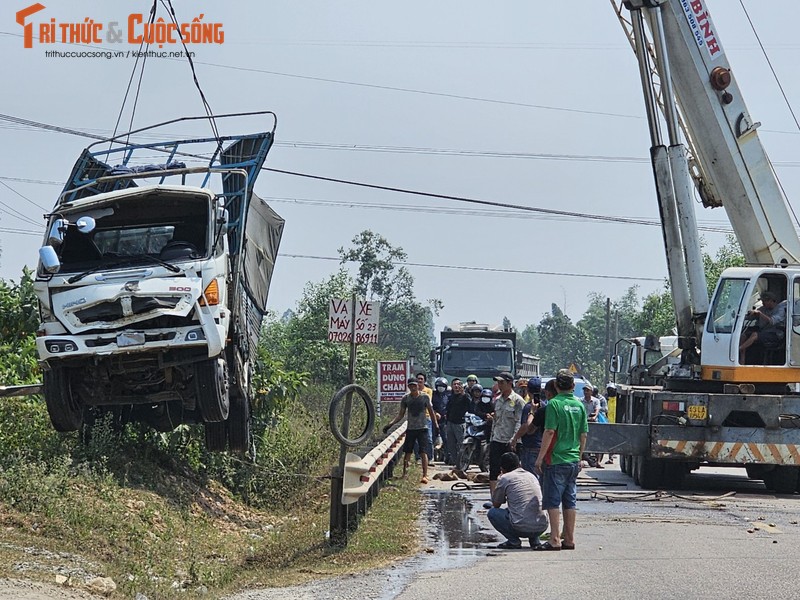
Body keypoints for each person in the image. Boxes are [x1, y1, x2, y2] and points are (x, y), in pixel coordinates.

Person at [535, 369, 587, 551]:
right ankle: (569, 539)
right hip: (573, 460)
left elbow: (549, 432)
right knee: (570, 501)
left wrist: (540, 458)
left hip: (556, 459)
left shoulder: (554, 405)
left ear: (556, 386)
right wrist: (580, 457)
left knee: (552, 500)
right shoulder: (579, 405)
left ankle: (555, 539)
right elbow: (583, 434)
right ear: (573, 386)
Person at [487, 452, 549, 549]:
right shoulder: (531, 475)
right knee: (528, 507)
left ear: (502, 468)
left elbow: (496, 504)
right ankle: (535, 540)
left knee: (493, 513)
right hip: (541, 526)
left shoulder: (505, 478)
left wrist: (499, 482)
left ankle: (513, 541)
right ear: (519, 464)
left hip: (521, 527)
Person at [383, 377, 439, 484]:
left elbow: (431, 412)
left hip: (423, 428)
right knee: (408, 452)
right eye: (410, 386)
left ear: (418, 385)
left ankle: (425, 475)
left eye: (414, 385)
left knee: (423, 452)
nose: (413, 387)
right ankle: (404, 474)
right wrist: (390, 424)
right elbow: (401, 415)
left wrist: (436, 426)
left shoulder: (425, 397)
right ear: (408, 387)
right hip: (411, 428)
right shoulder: (406, 399)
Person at [488, 372, 525, 495]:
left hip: (511, 442)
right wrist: (492, 438)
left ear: (510, 384)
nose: (499, 385)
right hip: (497, 439)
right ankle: (494, 499)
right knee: (494, 471)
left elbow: (519, 422)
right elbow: (496, 420)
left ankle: (513, 497)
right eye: (498, 383)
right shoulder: (498, 400)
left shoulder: (518, 401)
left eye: (502, 383)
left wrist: (514, 439)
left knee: (513, 472)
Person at [511, 378, 554, 477]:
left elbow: (526, 426)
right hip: (541, 445)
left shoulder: (530, 407)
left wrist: (515, 438)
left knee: (532, 477)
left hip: (531, 446)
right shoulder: (544, 406)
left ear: (528, 390)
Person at [739, 290, 787, 364]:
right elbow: (752, 317)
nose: (762, 303)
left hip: (775, 334)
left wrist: (760, 314)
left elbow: (772, 321)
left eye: (764, 301)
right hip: (763, 332)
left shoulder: (780, 310)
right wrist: (749, 315)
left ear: (771, 301)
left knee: (755, 335)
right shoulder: (763, 308)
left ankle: (739, 348)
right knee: (743, 335)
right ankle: (742, 359)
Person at [444, 378, 471, 469]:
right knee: (451, 444)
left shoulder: (465, 396)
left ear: (461, 386)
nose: (456, 386)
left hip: (460, 423)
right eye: (454, 384)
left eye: (458, 384)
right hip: (450, 423)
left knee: (461, 444)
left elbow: (471, 407)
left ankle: (464, 464)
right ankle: (456, 464)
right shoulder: (450, 397)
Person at [581, 384, 603, 468]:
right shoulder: (580, 401)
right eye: (584, 390)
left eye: (587, 390)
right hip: (584, 423)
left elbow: (597, 409)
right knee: (582, 442)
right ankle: (580, 461)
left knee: (597, 443)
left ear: (591, 392)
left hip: (594, 424)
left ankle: (598, 461)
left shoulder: (596, 401)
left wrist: (594, 416)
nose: (586, 392)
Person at [431, 377, 450, 463]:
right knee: (431, 439)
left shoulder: (448, 395)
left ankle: (448, 458)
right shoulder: (433, 394)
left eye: (443, 386)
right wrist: (435, 413)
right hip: (434, 420)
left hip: (444, 421)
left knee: (446, 439)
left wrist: (447, 414)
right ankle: (430, 457)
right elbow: (429, 406)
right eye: (439, 386)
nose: (441, 387)